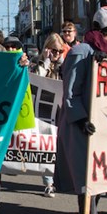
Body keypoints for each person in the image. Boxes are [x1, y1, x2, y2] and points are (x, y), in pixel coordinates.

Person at [56, 7, 107, 214]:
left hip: (105, 127)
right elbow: (70, 92)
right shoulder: (80, 52)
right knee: (87, 181)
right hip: (81, 127)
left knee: (99, 179)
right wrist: (81, 118)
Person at [32, 34, 68, 198]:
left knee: (58, 146)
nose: (57, 54)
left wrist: (61, 63)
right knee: (46, 146)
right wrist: (46, 62)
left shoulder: (63, 64)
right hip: (43, 109)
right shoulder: (38, 62)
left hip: (60, 109)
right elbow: (36, 79)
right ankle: (48, 183)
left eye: (60, 51)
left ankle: (57, 179)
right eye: (54, 50)